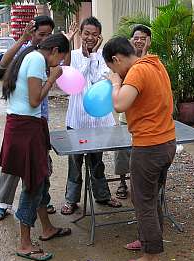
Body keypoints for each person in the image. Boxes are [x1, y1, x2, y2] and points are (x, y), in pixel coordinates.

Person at [0, 33, 72, 261]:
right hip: (25, 128)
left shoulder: (30, 55)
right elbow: (34, 100)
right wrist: (53, 78)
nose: (59, 64)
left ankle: (47, 228)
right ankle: (25, 243)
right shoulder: (38, 60)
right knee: (33, 184)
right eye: (60, 59)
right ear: (56, 51)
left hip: (25, 127)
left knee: (40, 178)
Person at [103, 36, 176, 261]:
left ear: (116, 59)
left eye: (112, 68)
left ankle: (150, 256)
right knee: (151, 198)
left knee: (142, 200)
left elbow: (119, 104)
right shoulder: (155, 63)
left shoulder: (136, 71)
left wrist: (115, 82)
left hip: (149, 146)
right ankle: (150, 240)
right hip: (166, 142)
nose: (116, 72)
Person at [0, 15, 61, 220]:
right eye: (41, 34)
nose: (45, 39)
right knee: (14, 165)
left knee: (41, 167)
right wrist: (22, 40)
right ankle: (2, 203)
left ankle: (42, 202)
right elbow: (4, 62)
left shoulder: (49, 54)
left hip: (39, 117)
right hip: (25, 119)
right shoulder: (28, 54)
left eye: (49, 35)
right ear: (33, 33)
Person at [61, 16, 121, 215]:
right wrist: (87, 57)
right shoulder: (73, 55)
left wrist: (94, 54)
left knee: (97, 162)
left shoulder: (104, 57)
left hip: (98, 122)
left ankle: (102, 195)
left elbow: (99, 80)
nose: (90, 37)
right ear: (80, 33)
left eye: (94, 34)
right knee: (75, 163)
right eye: (86, 33)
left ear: (100, 36)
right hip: (77, 120)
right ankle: (71, 200)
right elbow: (74, 78)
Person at [114, 24, 151, 200]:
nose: (138, 41)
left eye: (143, 38)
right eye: (136, 37)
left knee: (143, 154)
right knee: (122, 151)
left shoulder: (151, 61)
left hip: (145, 118)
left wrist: (144, 52)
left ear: (149, 41)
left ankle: (141, 186)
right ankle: (122, 182)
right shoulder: (124, 59)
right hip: (126, 115)